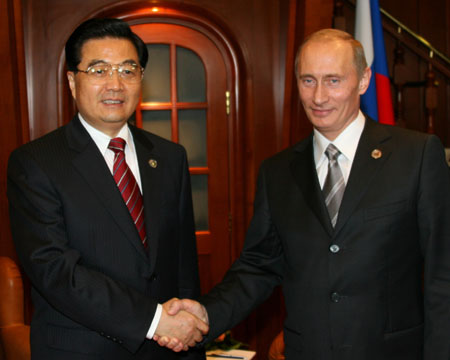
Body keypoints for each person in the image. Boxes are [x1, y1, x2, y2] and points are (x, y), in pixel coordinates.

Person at [157, 29, 450, 359]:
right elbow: (258, 267)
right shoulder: (277, 171)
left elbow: (443, 273)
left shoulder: (417, 155)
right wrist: (205, 314)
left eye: (333, 80)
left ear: (364, 80)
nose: (319, 97)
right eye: (308, 80)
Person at [7, 18, 207, 360]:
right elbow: (55, 271)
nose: (115, 84)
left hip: (166, 350)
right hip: (81, 350)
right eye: (99, 71)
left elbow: (183, 267)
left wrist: (188, 335)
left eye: (128, 70)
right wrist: (154, 319)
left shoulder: (169, 157)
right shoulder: (36, 163)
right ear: (72, 81)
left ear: (141, 79)